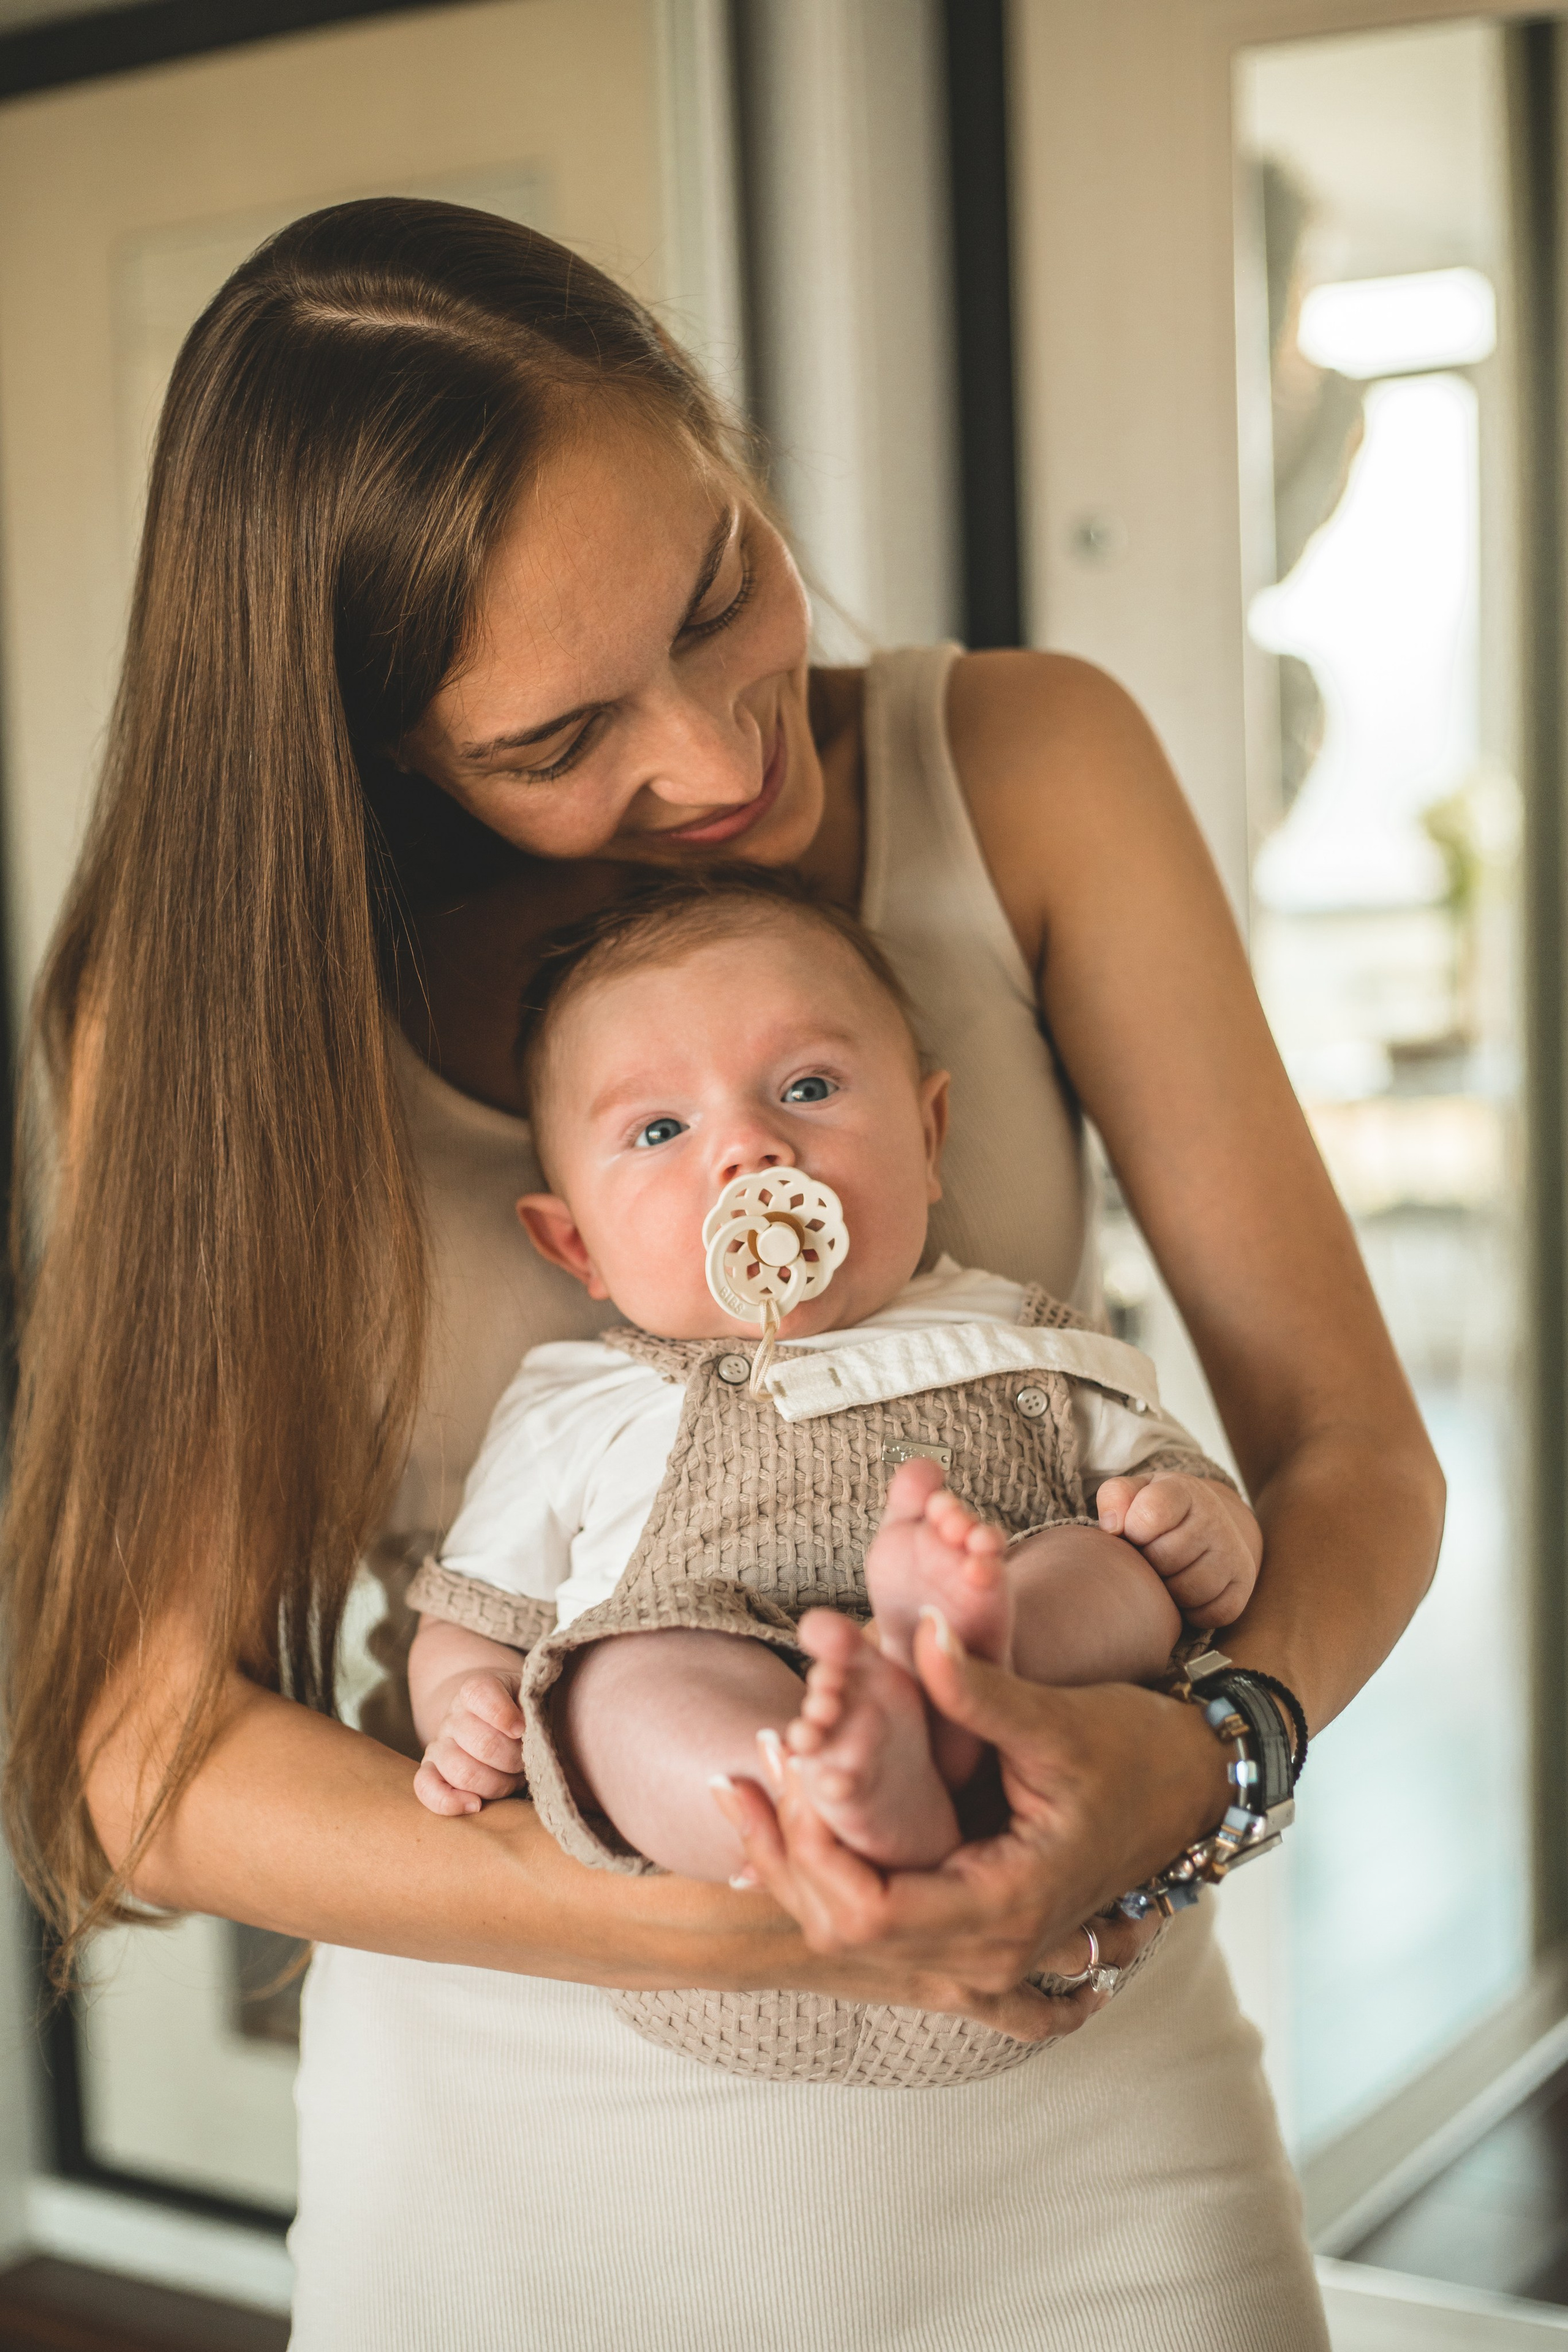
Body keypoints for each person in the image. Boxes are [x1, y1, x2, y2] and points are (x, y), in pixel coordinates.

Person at [0, 197, 1442, 2349]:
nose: (714, 757)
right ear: (375, 745)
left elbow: (1350, 1454)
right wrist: (709, 1918)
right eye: (556, 742)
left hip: (1067, 2059)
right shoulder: (211, 1009)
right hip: (534, 2119)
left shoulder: (1026, 771)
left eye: (719, 591)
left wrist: (1208, 1754)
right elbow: (145, 1754)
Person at [409, 873, 1262, 1925]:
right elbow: (473, 1621)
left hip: (1018, 1685)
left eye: (809, 1088)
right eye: (661, 1130)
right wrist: (466, 1708)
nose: (749, 1150)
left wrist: (1193, 1520)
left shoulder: (1009, 1327)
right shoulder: (575, 1400)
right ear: (576, 1245)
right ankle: (819, 1789)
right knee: (617, 1687)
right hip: (723, 1690)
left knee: (1107, 1568)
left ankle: (949, 1679)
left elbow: (1161, 1471)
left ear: (929, 1135)